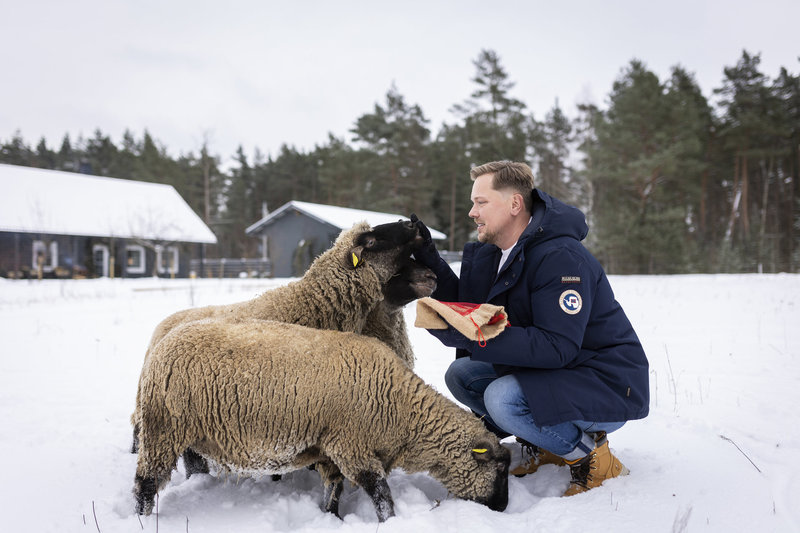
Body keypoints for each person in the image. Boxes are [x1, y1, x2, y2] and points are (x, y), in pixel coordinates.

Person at [410, 160, 649, 496]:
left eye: (481, 202)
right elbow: (471, 307)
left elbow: (557, 347)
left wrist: (477, 334)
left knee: (501, 399)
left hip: (605, 383)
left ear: (514, 204)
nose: (471, 212)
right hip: (559, 374)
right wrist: (430, 260)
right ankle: (548, 442)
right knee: (462, 374)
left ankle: (592, 457)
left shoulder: (561, 258)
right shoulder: (497, 254)